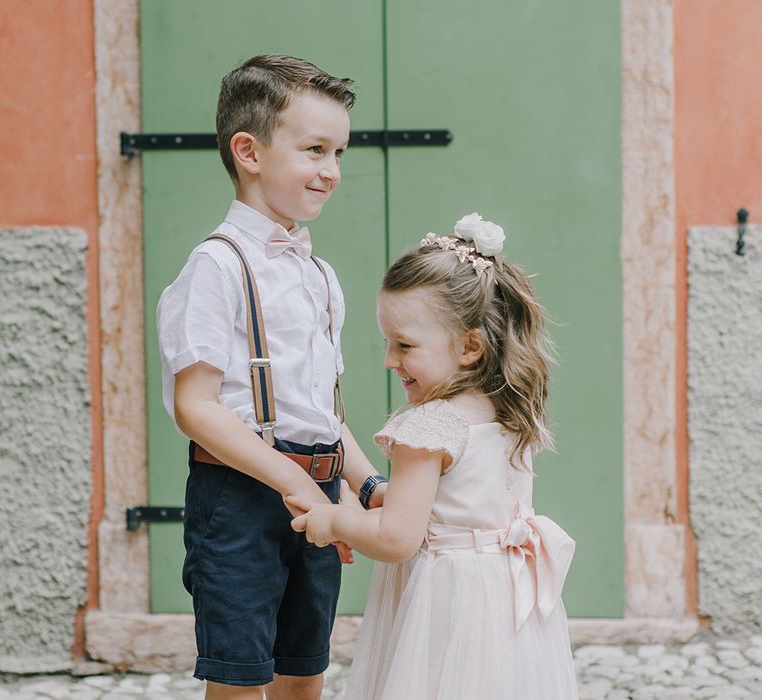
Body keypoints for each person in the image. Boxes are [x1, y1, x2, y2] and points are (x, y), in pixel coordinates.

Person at [157, 54, 387, 700]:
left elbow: (320, 413)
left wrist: (367, 489)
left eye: (339, 152)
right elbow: (196, 406)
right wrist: (291, 481)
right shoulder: (217, 266)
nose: (332, 171)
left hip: (317, 499)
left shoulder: (320, 276)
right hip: (240, 501)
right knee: (240, 682)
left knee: (303, 677)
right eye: (315, 149)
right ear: (248, 152)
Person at [289, 213, 579, 699]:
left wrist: (332, 520)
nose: (389, 359)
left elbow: (397, 538)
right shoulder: (505, 410)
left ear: (469, 346)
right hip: (504, 598)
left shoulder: (426, 425)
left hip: (447, 604)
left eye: (404, 345)